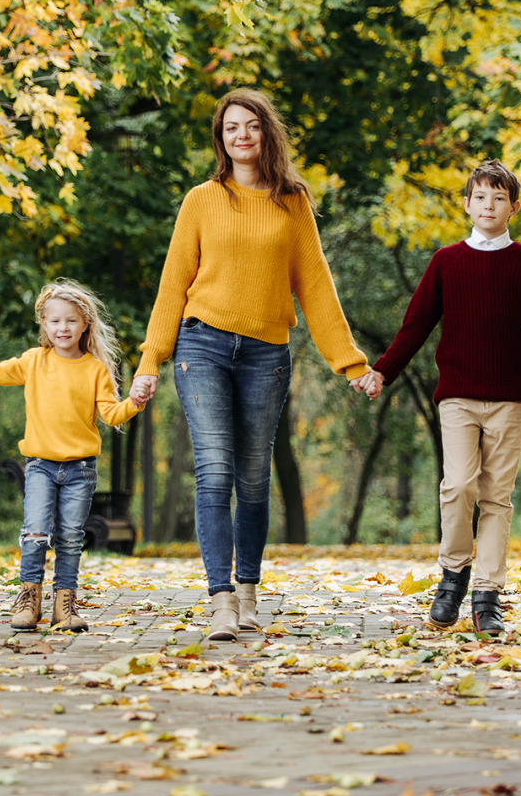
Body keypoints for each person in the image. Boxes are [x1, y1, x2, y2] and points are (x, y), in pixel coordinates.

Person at [130, 89, 372, 642]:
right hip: (202, 346)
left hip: (266, 353)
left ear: (267, 133)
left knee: (254, 478)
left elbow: (316, 287)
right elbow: (174, 283)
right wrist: (151, 357)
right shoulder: (201, 199)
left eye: (251, 126)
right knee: (214, 471)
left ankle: (247, 591)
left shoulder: (292, 203)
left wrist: (350, 363)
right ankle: (219, 600)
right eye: (230, 127)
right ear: (221, 139)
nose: (240, 135)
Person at [357, 160, 521, 635]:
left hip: (511, 399)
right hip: (459, 398)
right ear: (467, 204)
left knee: (496, 498)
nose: (488, 206)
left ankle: (487, 596)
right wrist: (382, 372)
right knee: (458, 487)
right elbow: (416, 325)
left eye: (499, 198)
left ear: (513, 206)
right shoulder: (447, 262)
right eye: (480, 197)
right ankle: (453, 576)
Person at [0, 280, 144, 632]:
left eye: (71, 321)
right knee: (35, 533)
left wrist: (134, 402)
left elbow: (111, 414)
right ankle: (29, 598)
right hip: (41, 467)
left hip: (80, 470)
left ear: (86, 323)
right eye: (55, 321)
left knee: (71, 536)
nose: (63, 328)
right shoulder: (34, 361)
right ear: (44, 324)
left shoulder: (95, 369)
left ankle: (65, 604)